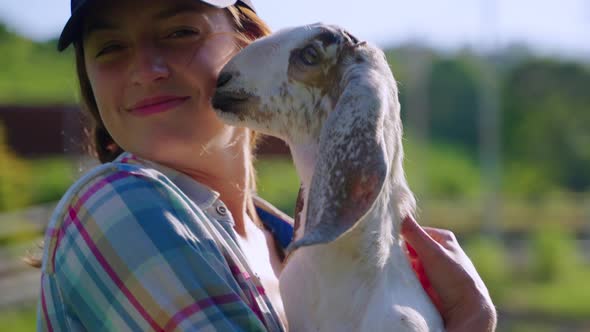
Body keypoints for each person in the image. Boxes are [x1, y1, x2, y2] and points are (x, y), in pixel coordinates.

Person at [35, 0, 497, 331]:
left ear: (254, 44)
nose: (146, 70)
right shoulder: (117, 207)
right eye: (110, 47)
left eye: (179, 32)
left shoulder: (287, 244)